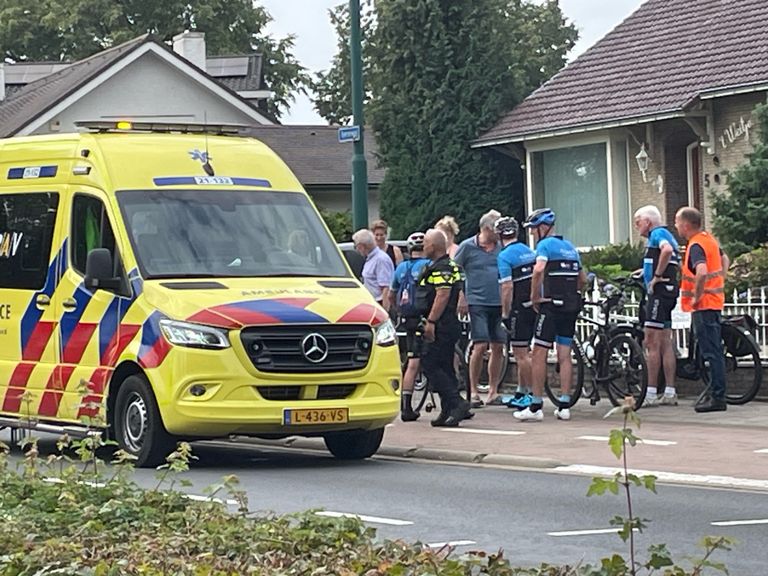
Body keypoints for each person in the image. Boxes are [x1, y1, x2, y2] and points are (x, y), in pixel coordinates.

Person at [515, 208, 586, 422]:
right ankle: (564, 405)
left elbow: (538, 270)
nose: (532, 234)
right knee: (565, 355)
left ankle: (536, 406)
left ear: (543, 228)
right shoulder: (570, 247)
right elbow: (582, 278)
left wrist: (535, 296)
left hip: (550, 306)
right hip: (570, 306)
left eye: (533, 230)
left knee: (539, 353)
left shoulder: (544, 245)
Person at [674, 207, 730, 413]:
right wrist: (721, 279)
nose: (676, 226)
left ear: (686, 225)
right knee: (715, 350)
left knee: (711, 352)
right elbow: (725, 259)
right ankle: (717, 392)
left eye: (677, 222)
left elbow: (702, 271)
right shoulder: (709, 240)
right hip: (715, 301)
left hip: (703, 305)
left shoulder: (696, 245)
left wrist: (698, 295)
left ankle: (717, 397)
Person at [418, 229, 471, 427]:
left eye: (425, 243)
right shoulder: (448, 265)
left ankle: (457, 403)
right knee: (445, 367)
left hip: (441, 325)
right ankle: (447, 409)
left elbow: (442, 294)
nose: (423, 247)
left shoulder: (442, 268)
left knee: (430, 365)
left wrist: (431, 322)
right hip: (447, 324)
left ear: (432, 246)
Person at [454, 210, 505, 407]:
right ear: (485, 229)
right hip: (477, 301)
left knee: (499, 345)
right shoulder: (467, 247)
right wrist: (461, 297)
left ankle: (493, 391)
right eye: (496, 229)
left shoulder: (501, 247)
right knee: (480, 344)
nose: (499, 233)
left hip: (498, 301)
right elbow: (456, 271)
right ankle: (473, 390)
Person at [634, 205, 680, 406]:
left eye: (638, 222)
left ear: (648, 222)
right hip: (669, 292)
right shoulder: (668, 235)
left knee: (651, 341)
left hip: (658, 294)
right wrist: (643, 272)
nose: (637, 226)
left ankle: (650, 393)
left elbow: (667, 251)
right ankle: (669, 391)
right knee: (665, 341)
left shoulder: (657, 233)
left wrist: (656, 277)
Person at [496, 216, 536, 410]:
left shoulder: (504, 256)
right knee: (526, 350)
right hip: (534, 306)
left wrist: (505, 312)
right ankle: (521, 391)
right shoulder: (529, 251)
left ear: (499, 236)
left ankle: (530, 395)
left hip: (518, 308)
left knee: (521, 355)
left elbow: (507, 287)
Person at [390, 232, 431, 421]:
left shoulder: (401, 268)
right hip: (424, 316)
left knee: (411, 358)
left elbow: (392, 294)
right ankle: (408, 407)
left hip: (407, 318)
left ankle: (405, 404)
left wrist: (399, 311)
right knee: (418, 361)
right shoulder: (427, 266)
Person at [353, 228, 394, 311]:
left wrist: (385, 312)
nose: (356, 250)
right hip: (372, 303)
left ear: (362, 246)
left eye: (356, 246)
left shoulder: (380, 259)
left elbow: (386, 288)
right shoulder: (371, 259)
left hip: (379, 304)